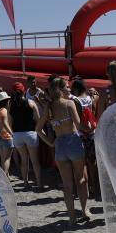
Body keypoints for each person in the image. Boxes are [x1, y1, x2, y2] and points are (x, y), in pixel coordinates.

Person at [35, 77, 90, 224]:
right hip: (73, 141)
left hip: (60, 145)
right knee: (81, 179)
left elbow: (38, 129)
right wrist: (90, 127)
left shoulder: (49, 107)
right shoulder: (69, 103)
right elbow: (78, 126)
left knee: (67, 184)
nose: (69, 89)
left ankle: (71, 216)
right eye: (66, 86)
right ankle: (84, 210)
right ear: (60, 89)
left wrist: (51, 143)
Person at [10, 82, 42, 190]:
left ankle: (25, 182)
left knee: (24, 160)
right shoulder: (31, 102)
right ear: (24, 90)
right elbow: (38, 119)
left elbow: (10, 121)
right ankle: (39, 183)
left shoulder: (11, 104)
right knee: (35, 160)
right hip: (30, 132)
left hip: (17, 134)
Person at [0, 91, 15, 174]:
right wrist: (12, 134)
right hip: (7, 136)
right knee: (7, 159)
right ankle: (5, 178)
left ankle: (6, 177)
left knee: (3, 159)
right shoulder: (4, 110)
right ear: (5, 101)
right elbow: (5, 123)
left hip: (0, 137)